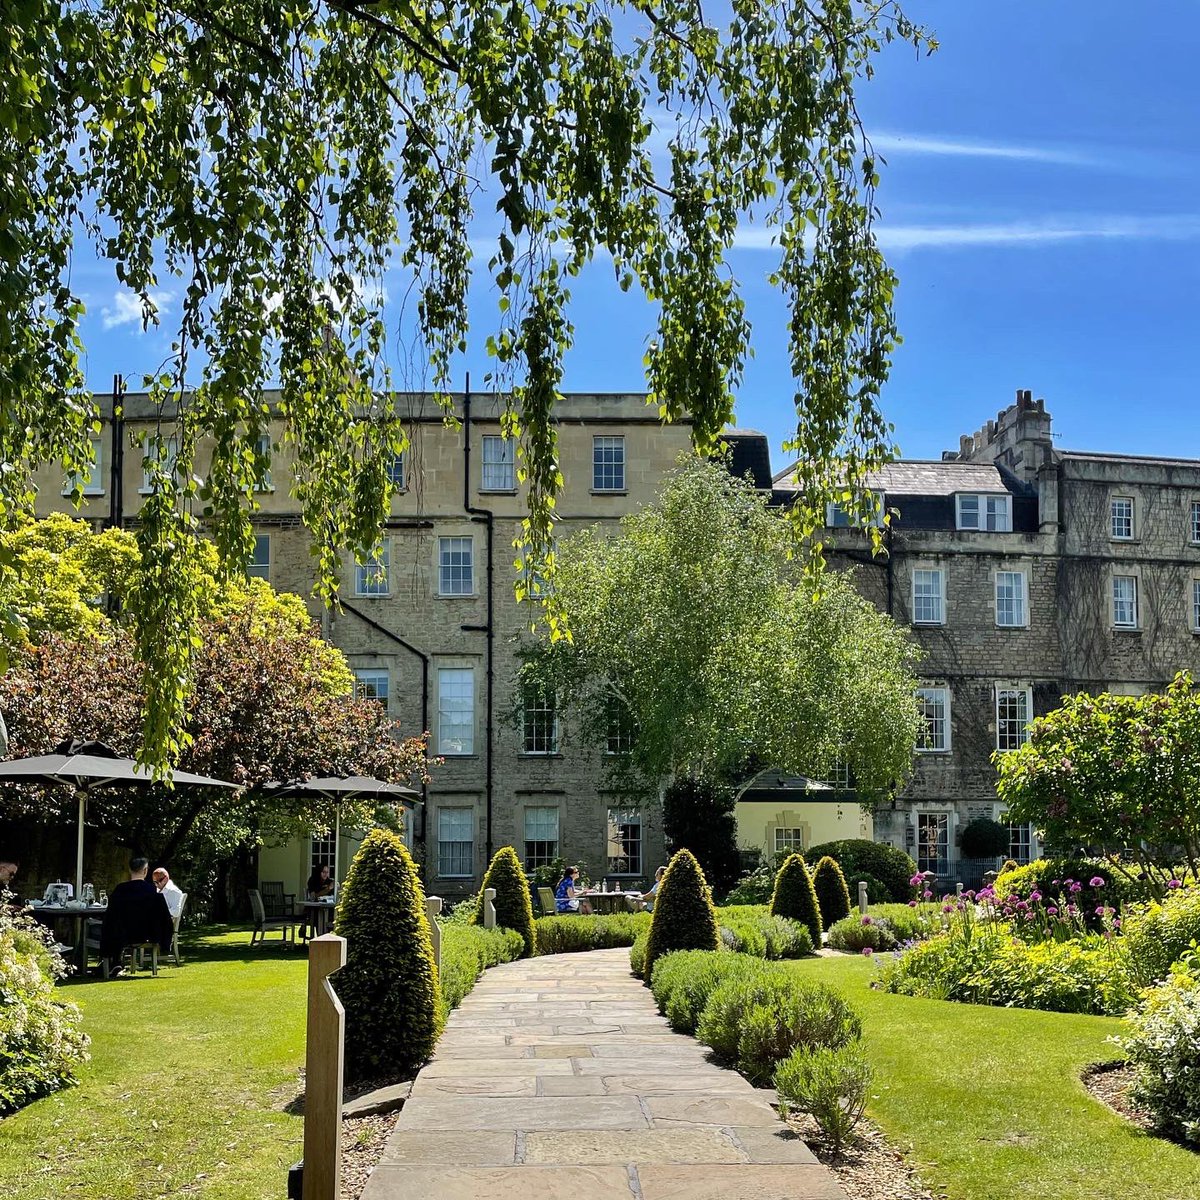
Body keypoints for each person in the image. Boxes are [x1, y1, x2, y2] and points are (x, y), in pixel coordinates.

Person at [98, 856, 173, 976]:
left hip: (121, 933)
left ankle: (112, 961)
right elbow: (162, 916)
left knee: (106, 926)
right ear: (145, 871)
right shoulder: (151, 891)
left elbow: (111, 915)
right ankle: (116, 963)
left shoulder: (120, 890)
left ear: (130, 870)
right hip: (145, 933)